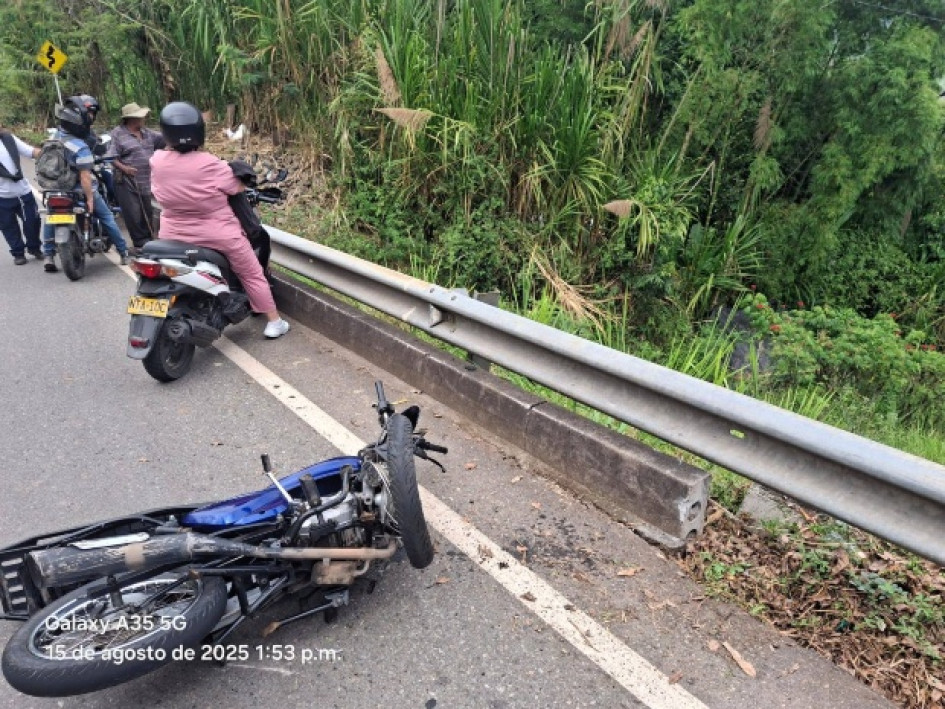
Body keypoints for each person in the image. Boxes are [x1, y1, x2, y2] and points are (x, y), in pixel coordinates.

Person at [150, 102, 290, 339]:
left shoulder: (157, 160)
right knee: (252, 273)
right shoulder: (210, 164)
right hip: (218, 234)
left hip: (172, 232)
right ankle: (274, 322)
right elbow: (237, 186)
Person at [42, 96, 130, 272]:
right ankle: (123, 251)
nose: (91, 117)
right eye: (90, 113)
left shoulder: (55, 137)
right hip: (76, 189)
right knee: (106, 215)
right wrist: (90, 198)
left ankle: (48, 255)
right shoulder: (80, 147)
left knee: (51, 217)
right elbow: (85, 177)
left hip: (54, 188)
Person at [109, 102, 162, 250]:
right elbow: (112, 157)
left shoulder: (147, 133)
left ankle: (149, 239)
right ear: (132, 119)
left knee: (147, 210)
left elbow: (163, 140)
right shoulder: (118, 133)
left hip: (146, 179)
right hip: (127, 181)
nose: (143, 120)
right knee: (134, 213)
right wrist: (124, 168)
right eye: (141, 117)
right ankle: (140, 243)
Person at [0, 127, 42, 265]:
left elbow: (30, 151)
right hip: (2, 197)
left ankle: (34, 247)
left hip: (22, 192)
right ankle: (18, 253)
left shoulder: (8, 139)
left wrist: (50, 152)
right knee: (8, 227)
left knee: (33, 222)